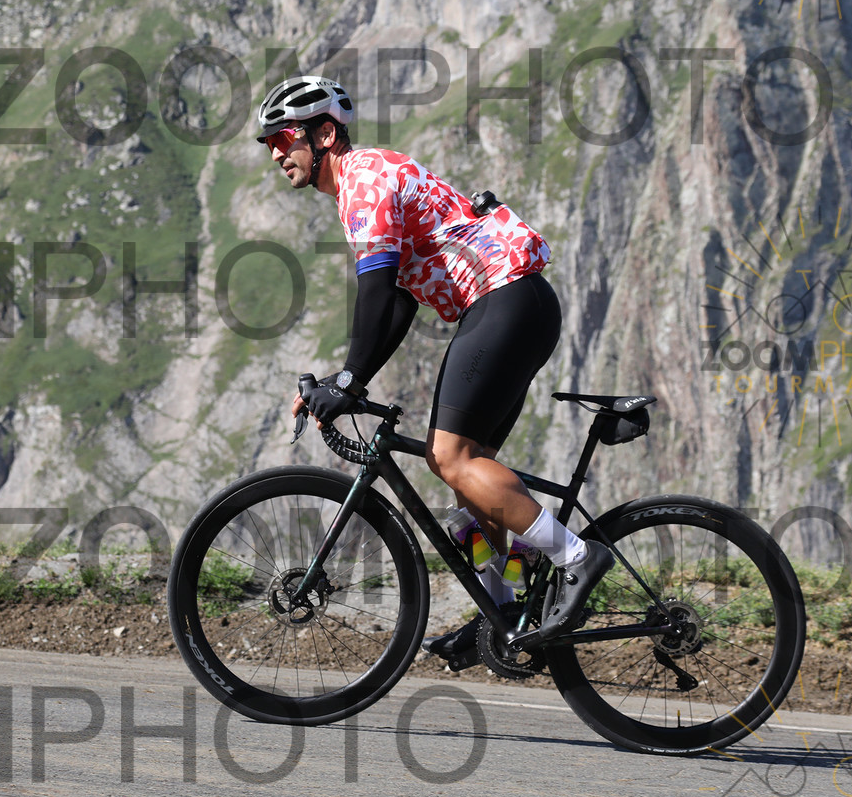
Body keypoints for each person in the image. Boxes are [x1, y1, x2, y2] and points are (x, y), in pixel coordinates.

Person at [256, 74, 613, 666]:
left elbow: (376, 293)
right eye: (269, 143)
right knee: (470, 476)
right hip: (515, 304)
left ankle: (577, 557)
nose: (275, 153)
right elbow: (398, 301)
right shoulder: (364, 181)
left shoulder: (364, 179)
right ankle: (501, 612)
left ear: (325, 135)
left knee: (450, 457)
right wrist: (351, 378)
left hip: (504, 301)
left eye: (283, 138)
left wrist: (349, 381)